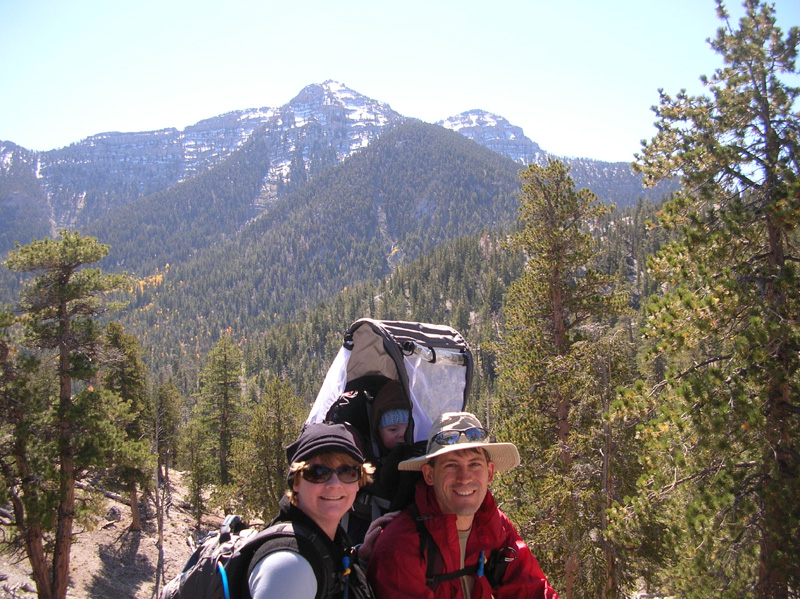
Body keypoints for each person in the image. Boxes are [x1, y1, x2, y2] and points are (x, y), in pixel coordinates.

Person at [367, 412, 560, 599]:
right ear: (429, 475)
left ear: (490, 472)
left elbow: (531, 589)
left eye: (475, 464)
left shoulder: (493, 524)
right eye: (451, 465)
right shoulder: (401, 544)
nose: (465, 478)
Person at [248, 422, 393, 599]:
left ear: (358, 482)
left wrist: (361, 559)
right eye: (318, 472)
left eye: (347, 471)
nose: (334, 484)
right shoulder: (290, 566)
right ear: (296, 482)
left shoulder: (330, 543)